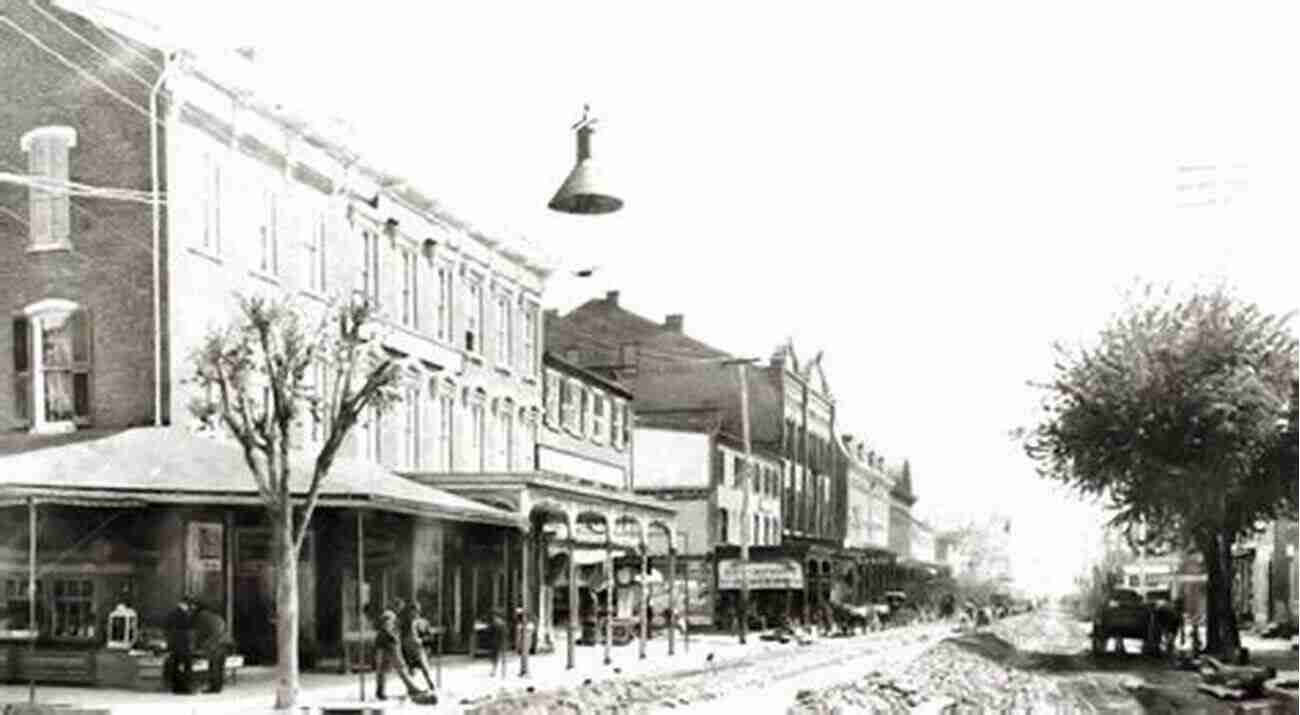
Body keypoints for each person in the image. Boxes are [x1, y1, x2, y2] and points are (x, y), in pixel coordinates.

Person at [373, 608, 425, 701]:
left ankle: (410, 689)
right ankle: (411, 689)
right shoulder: (383, 635)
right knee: (385, 672)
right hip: (390, 656)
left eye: (392, 621)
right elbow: (380, 650)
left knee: (393, 672)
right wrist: (379, 660)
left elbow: (396, 646)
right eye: (389, 621)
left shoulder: (390, 633)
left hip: (393, 657)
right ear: (384, 622)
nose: (391, 623)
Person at [191, 599, 228, 694]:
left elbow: (200, 632)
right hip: (224, 643)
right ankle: (218, 687)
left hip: (214, 645)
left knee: (214, 666)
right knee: (219, 666)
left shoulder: (202, 617)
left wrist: (198, 645)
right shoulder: (217, 617)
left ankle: (214, 687)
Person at [399, 601, 437, 693]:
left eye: (416, 611)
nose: (413, 614)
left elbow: (430, 638)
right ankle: (411, 689)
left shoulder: (423, 623)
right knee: (409, 671)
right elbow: (399, 636)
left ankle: (431, 685)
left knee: (425, 668)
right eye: (411, 612)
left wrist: (421, 640)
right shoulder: (404, 624)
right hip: (406, 652)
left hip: (419, 650)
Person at [164, 596, 195, 694]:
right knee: (186, 665)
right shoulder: (184, 615)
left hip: (174, 644)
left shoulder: (171, 613)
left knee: (176, 665)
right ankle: (185, 687)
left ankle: (176, 687)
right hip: (182, 644)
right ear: (186, 604)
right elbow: (188, 628)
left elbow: (167, 628)